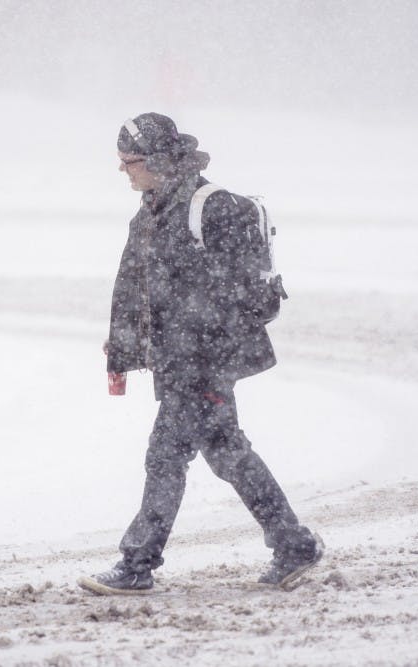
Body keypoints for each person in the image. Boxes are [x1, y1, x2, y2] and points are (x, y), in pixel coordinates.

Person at [77, 113, 322, 595]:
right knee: (229, 454)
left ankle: (137, 564)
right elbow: (140, 287)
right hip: (180, 360)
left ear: (157, 160)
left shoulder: (212, 208)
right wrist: (128, 345)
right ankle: (293, 543)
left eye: (129, 162)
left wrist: (199, 344)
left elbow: (235, 290)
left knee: (165, 456)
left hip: (204, 362)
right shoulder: (153, 207)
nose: (124, 171)